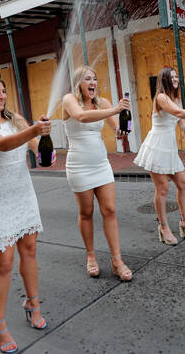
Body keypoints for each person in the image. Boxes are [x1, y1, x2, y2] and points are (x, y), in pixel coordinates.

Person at [0, 74, 53, 353]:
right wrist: (34, 131)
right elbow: (2, 145)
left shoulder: (15, 118)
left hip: (23, 193)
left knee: (30, 252)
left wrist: (45, 147)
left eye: (3, 91)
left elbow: (35, 148)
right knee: (3, 263)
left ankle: (33, 304)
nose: (1, 96)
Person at [62, 65, 133, 282]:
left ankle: (116, 260)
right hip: (79, 166)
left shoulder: (102, 102)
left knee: (110, 209)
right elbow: (82, 117)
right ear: (78, 83)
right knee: (86, 212)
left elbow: (116, 129)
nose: (92, 82)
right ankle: (91, 255)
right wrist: (115, 110)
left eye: (94, 78)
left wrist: (122, 128)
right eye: (86, 79)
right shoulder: (69, 100)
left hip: (101, 163)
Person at [133, 67, 185, 246]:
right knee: (162, 189)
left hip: (169, 148)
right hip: (156, 147)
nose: (176, 79)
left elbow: (182, 124)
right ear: (165, 80)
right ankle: (163, 227)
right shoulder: (161, 97)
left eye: (177, 76)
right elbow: (177, 113)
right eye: (172, 77)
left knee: (183, 184)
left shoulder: (175, 99)